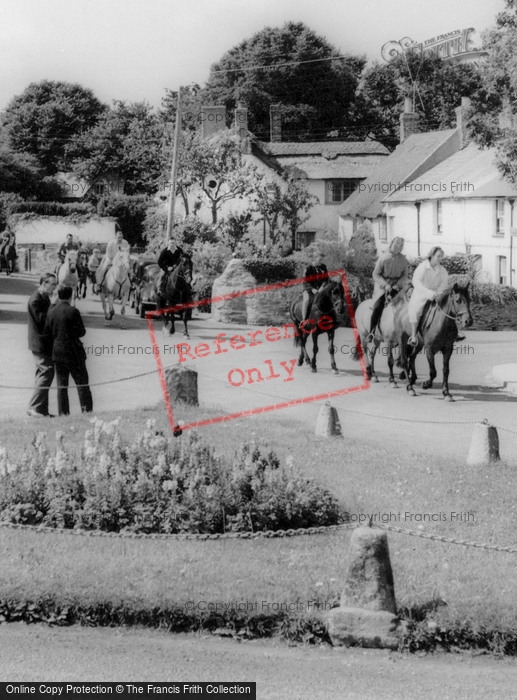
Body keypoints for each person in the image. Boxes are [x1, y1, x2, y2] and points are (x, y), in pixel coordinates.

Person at [44, 285, 93, 416]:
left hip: (58, 351)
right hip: (74, 351)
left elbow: (47, 331)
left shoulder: (51, 311)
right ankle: (86, 410)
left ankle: (63, 413)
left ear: (59, 296)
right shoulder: (73, 311)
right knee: (82, 383)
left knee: (62, 386)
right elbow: (81, 331)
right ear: (70, 296)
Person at [407, 246, 465, 346]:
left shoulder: (442, 270)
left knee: (449, 308)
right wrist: (429, 293)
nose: (440, 259)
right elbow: (416, 282)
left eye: (441, 257)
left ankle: (454, 333)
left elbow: (443, 284)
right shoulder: (422, 267)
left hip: (437, 294)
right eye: (438, 256)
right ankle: (414, 336)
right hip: (421, 294)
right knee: (415, 311)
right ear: (432, 255)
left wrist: (438, 293)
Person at [27, 272, 58, 418]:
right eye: (53, 284)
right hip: (39, 343)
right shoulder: (35, 299)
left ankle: (41, 410)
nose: (55, 287)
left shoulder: (43, 297)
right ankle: (34, 407)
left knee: (42, 374)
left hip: (44, 343)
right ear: (44, 283)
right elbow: (43, 321)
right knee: (47, 372)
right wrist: (53, 305)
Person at [367, 237, 408, 343]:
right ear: (393, 244)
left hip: (397, 287)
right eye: (397, 243)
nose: (398, 246)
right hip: (382, 287)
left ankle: (410, 332)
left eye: (400, 245)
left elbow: (405, 275)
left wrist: (398, 285)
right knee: (378, 306)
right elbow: (375, 274)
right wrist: (385, 285)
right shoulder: (384, 257)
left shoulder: (403, 259)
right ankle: (372, 332)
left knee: (407, 305)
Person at [95, 227, 130, 293]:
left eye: (121, 237)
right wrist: (113, 261)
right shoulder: (111, 243)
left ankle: (130, 285)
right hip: (110, 260)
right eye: (119, 237)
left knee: (129, 269)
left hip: (121, 260)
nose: (120, 238)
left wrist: (125, 261)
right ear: (115, 236)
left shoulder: (125, 243)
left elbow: (127, 253)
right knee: (103, 269)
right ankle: (99, 284)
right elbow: (108, 254)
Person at [302, 249, 329, 322]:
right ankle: (304, 320)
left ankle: (329, 318)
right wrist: (312, 289)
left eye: (322, 259)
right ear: (315, 259)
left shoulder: (323, 267)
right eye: (320, 259)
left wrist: (322, 287)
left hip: (321, 289)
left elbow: (326, 279)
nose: (321, 261)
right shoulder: (308, 268)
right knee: (306, 300)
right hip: (309, 290)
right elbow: (305, 282)